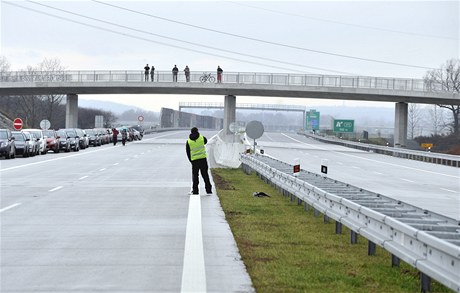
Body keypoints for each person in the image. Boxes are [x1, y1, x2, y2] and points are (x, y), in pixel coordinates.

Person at [186, 127, 212, 195]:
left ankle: (195, 191)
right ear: (197, 131)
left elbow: (188, 152)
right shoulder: (201, 138)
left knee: (195, 176)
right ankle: (208, 190)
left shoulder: (189, 141)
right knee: (205, 175)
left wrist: (191, 160)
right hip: (203, 159)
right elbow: (206, 141)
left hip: (194, 161)